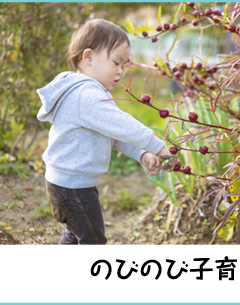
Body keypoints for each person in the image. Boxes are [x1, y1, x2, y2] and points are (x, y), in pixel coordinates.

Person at [36, 19, 172, 245]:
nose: (120, 72)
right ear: (88, 57)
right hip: (74, 189)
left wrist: (141, 154)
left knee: (75, 234)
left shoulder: (83, 91)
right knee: (93, 240)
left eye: (123, 66)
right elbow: (124, 125)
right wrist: (158, 146)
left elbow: (113, 134)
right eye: (116, 63)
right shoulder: (87, 96)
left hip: (66, 184)